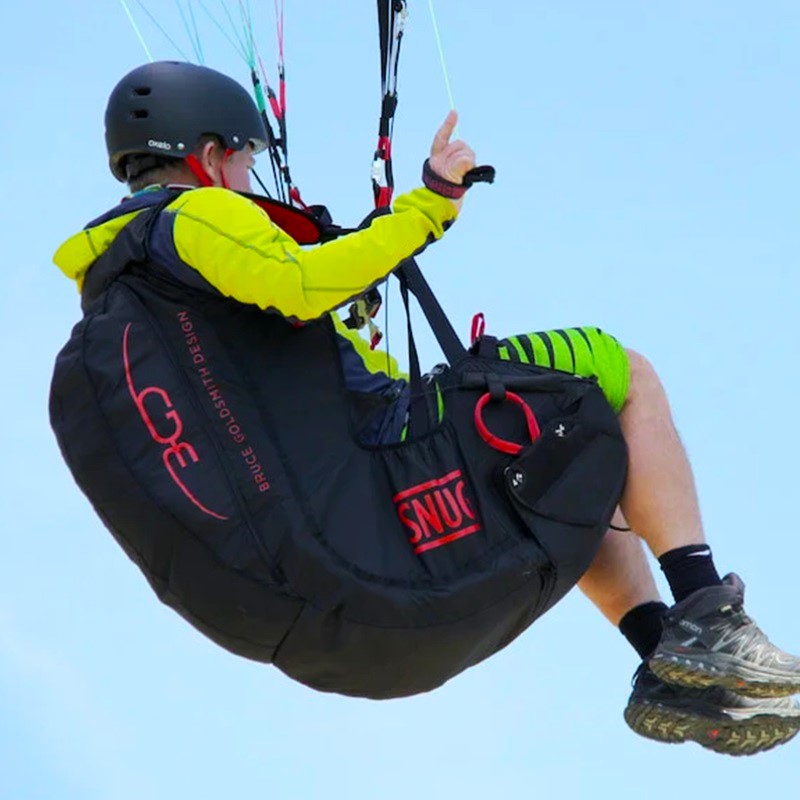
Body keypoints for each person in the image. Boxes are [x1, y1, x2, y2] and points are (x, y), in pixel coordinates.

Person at [52, 61, 800, 755]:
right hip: (380, 487)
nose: (250, 180)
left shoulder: (134, 302)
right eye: (247, 162)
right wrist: (431, 205)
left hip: (322, 619)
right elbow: (304, 285)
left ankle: (667, 661)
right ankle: (707, 613)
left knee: (559, 455)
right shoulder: (197, 217)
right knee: (619, 374)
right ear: (211, 157)